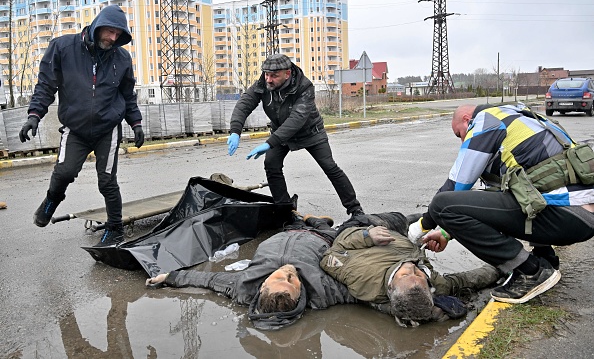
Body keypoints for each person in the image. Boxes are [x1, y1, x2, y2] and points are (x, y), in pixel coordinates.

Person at [409, 103, 594, 304]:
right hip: (580, 215)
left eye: (459, 134)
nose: (462, 140)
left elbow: (456, 186)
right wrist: (446, 232)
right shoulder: (519, 115)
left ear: (466, 119)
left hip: (568, 216)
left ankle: (531, 271)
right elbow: (494, 203)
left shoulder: (486, 121)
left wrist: (422, 226)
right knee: (521, 190)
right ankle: (546, 259)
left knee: (441, 205)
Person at [19, 5, 144, 247]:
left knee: (107, 181)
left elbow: (128, 95)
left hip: (107, 127)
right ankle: (51, 201)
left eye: (118, 35)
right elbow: (46, 85)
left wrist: (136, 122)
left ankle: (115, 229)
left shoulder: (122, 58)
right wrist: (34, 115)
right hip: (75, 128)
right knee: (64, 172)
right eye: (110, 32)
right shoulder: (63, 48)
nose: (113, 38)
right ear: (98, 25)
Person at [146, 213, 357, 330]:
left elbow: (208, 279)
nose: (288, 271)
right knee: (330, 228)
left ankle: (303, 218)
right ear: (300, 294)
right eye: (292, 280)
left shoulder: (243, 285)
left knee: (292, 220)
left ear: (263, 285)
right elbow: (362, 291)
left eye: (281, 277)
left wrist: (169, 277)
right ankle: (315, 221)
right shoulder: (323, 292)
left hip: (287, 232)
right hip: (320, 238)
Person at [226, 53, 364, 218]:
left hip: (311, 132)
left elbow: (297, 119)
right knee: (271, 164)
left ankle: (356, 210)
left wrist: (270, 143)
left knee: (330, 167)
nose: (269, 79)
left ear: (287, 74)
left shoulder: (304, 87)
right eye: (266, 74)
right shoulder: (263, 84)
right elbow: (244, 104)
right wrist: (235, 131)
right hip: (281, 131)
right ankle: (285, 209)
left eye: (274, 76)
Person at [321, 212, 500, 326]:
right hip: (403, 239)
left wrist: (367, 236)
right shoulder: (437, 284)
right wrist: (501, 268)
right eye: (418, 274)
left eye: (405, 275)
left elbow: (329, 256)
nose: (411, 267)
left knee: (408, 219)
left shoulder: (361, 277)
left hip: (363, 226)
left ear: (390, 287)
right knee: (426, 219)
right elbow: (466, 280)